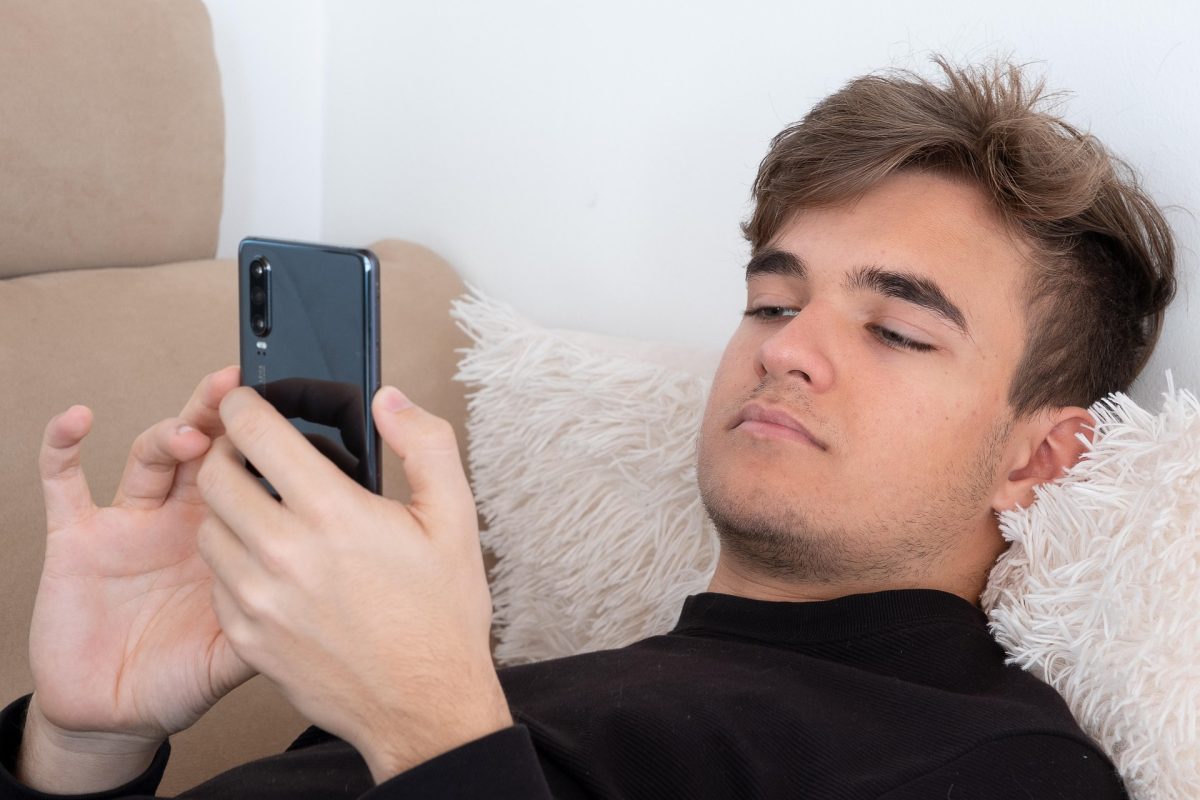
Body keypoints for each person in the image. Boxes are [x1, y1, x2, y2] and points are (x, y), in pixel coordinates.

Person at [0, 56, 1175, 799]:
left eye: (896, 330)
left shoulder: (996, 764)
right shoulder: (526, 682)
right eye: (772, 299)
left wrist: (429, 723)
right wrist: (82, 741)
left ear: (1038, 457)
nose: (785, 346)